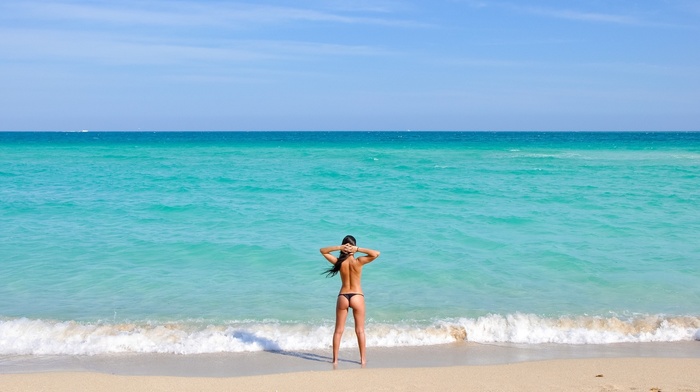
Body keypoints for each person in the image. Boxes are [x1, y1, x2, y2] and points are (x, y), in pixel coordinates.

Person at [320, 235, 380, 366]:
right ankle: (363, 360)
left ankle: (335, 360)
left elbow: (323, 250)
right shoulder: (359, 261)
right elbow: (376, 254)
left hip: (343, 296)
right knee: (360, 331)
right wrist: (357, 249)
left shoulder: (339, 263)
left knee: (338, 331)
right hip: (357, 296)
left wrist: (339, 248)